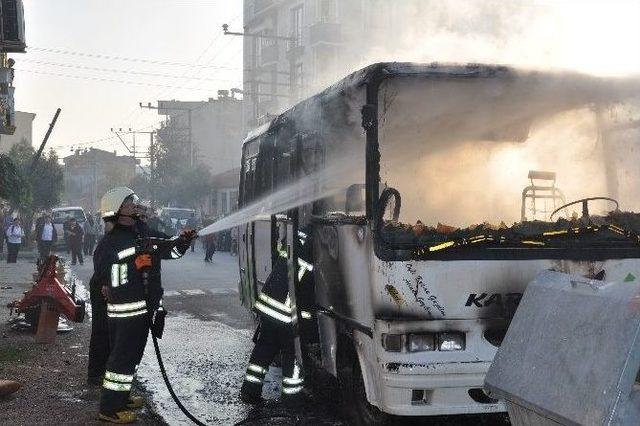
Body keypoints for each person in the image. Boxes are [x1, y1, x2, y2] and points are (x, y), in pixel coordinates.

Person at [94, 187, 195, 423]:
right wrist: (135, 266)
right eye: (130, 203)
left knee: (133, 357)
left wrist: (184, 240)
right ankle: (109, 409)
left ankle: (122, 397)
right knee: (121, 359)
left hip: (143, 308)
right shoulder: (111, 242)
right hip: (125, 311)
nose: (136, 205)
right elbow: (108, 277)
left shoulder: (142, 233)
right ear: (118, 210)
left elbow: (169, 250)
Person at [239, 226, 315, 406]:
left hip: (269, 304)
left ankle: (249, 391)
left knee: (263, 350)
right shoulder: (313, 245)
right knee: (293, 354)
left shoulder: (295, 235)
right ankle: (292, 397)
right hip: (287, 312)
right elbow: (308, 285)